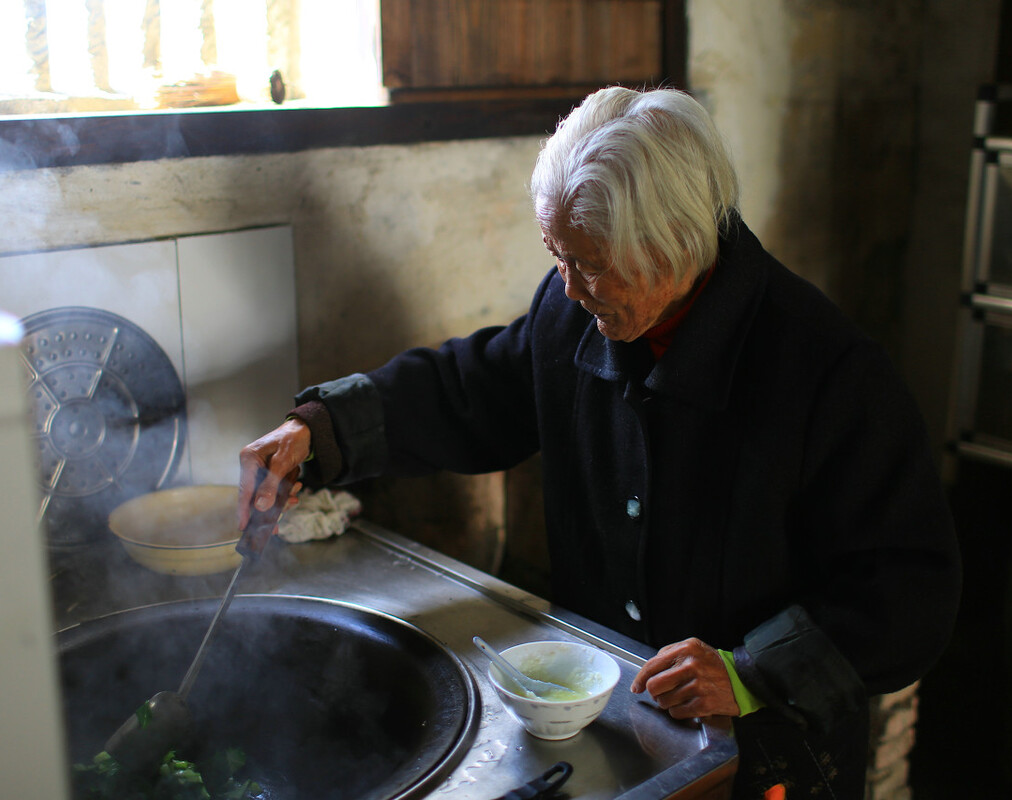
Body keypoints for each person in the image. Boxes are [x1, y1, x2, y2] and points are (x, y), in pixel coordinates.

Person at [237, 87, 961, 799]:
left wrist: (750, 672)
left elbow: (910, 589)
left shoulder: (826, 371)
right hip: (614, 724)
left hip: (769, 759)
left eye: (587, 263)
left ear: (672, 245)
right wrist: (319, 431)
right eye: (557, 255)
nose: (568, 287)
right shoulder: (575, 310)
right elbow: (474, 390)